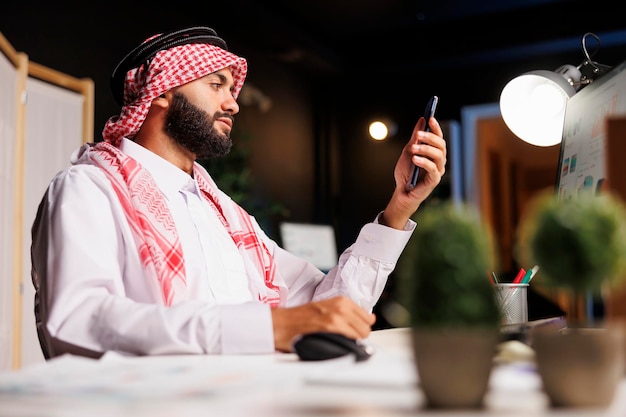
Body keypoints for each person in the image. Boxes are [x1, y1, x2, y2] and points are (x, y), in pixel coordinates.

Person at [30, 26, 447, 359]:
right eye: (217, 85)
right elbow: (76, 321)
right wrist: (269, 328)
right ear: (160, 91)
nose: (233, 103)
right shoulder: (89, 190)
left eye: (232, 89)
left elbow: (324, 305)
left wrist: (399, 205)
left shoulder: (225, 217)